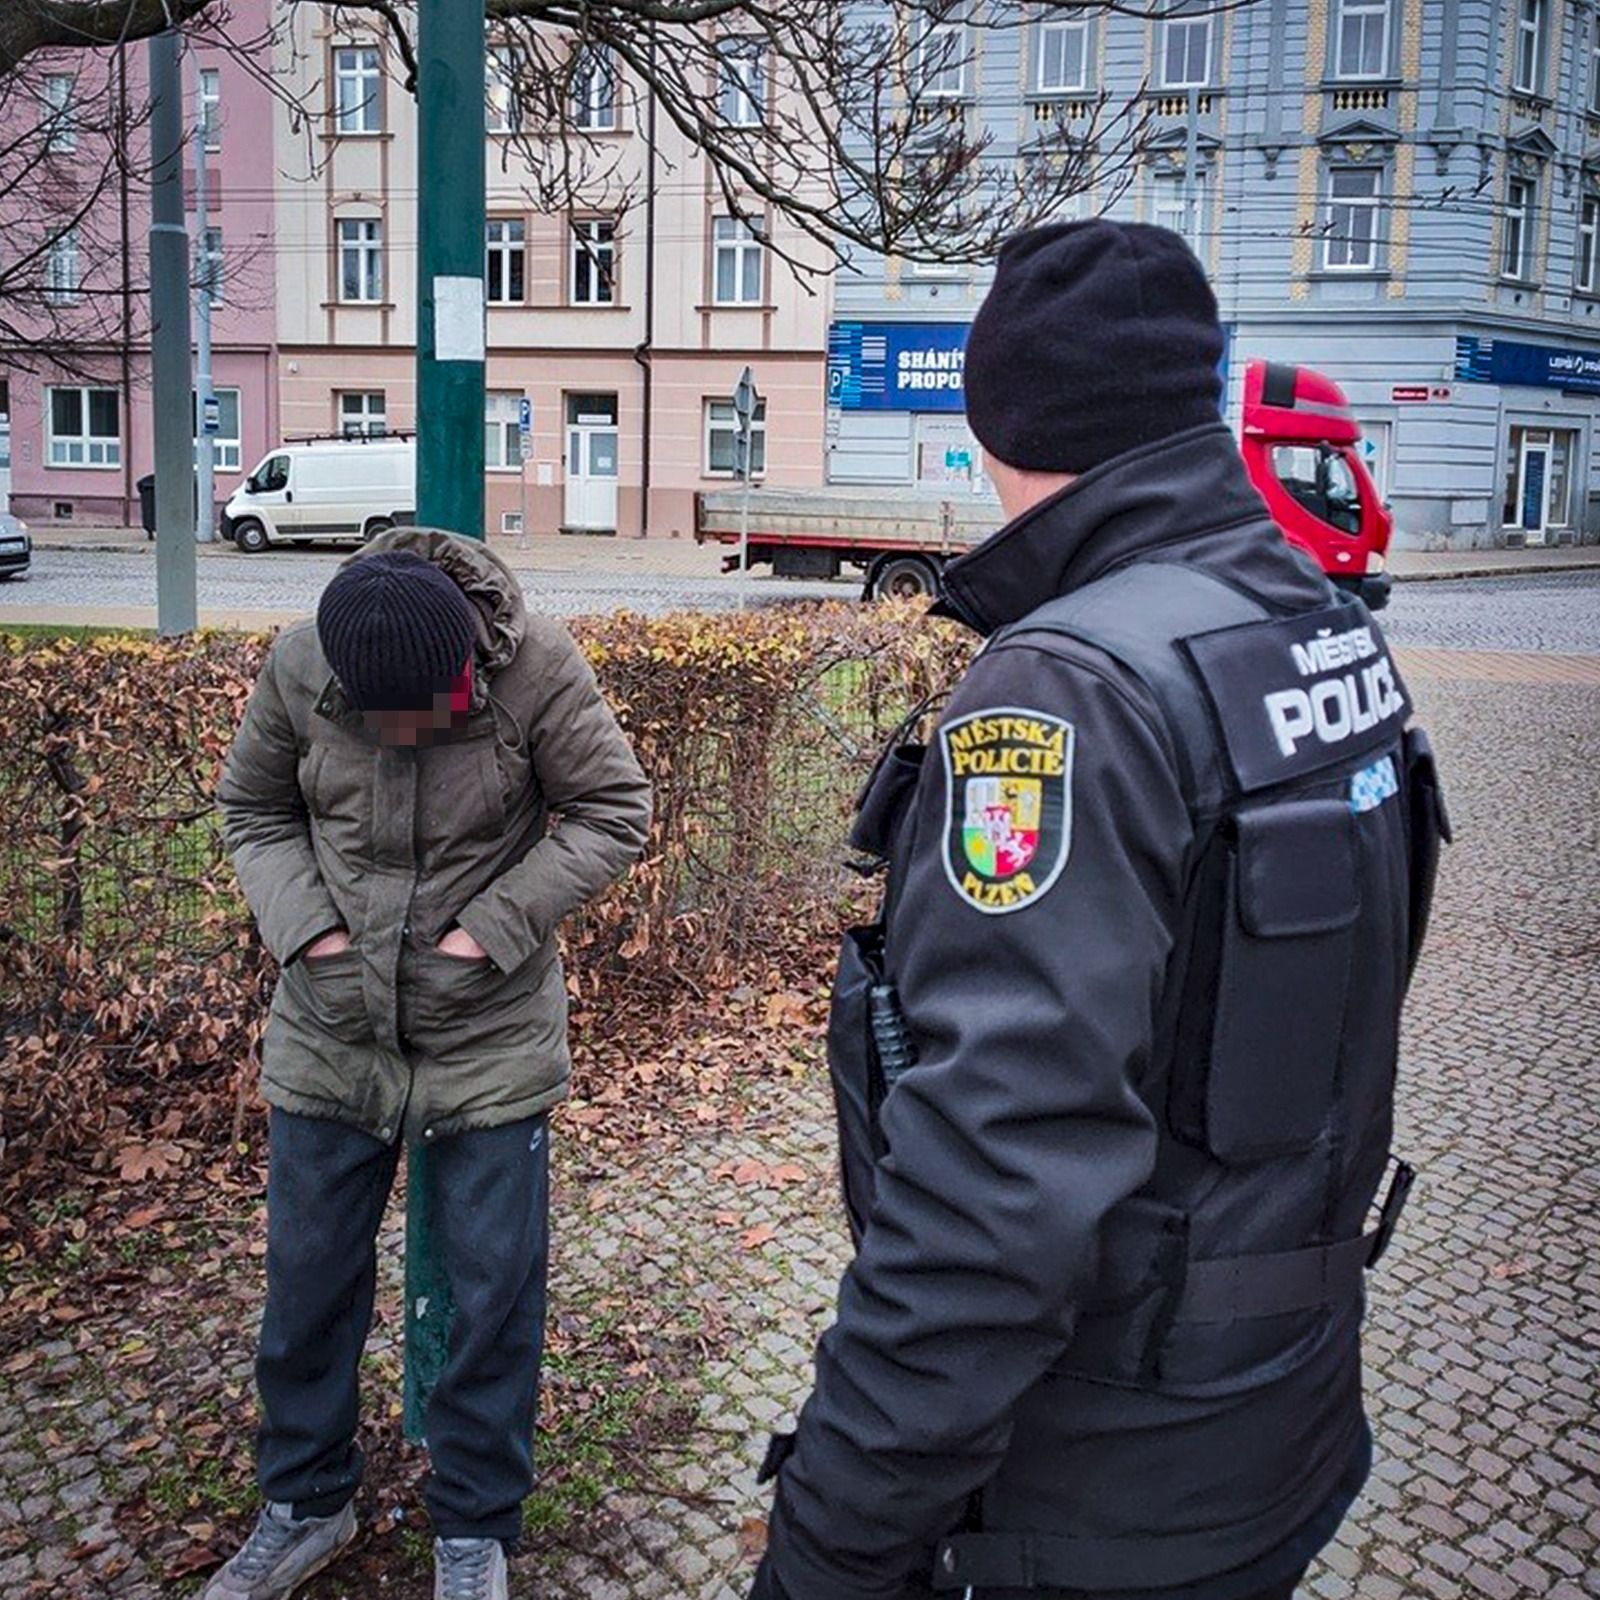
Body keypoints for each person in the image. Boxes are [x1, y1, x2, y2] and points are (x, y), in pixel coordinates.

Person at [749, 221, 1450, 1600]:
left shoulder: (1070, 687)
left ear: (997, 421)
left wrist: (832, 1539)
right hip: (1269, 1413)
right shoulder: (1317, 623)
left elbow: (996, 1184)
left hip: (1102, 1472)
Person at [210, 529, 652, 1600]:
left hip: (489, 1031)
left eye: (436, 709)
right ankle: (307, 1498)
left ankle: (474, 1527)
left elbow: (612, 809)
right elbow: (253, 807)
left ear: (470, 660)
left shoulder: (537, 665)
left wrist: (489, 930)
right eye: (384, 718)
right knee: (308, 1280)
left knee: (493, 1294)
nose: (410, 733)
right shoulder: (302, 662)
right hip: (331, 1027)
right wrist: (309, 934)